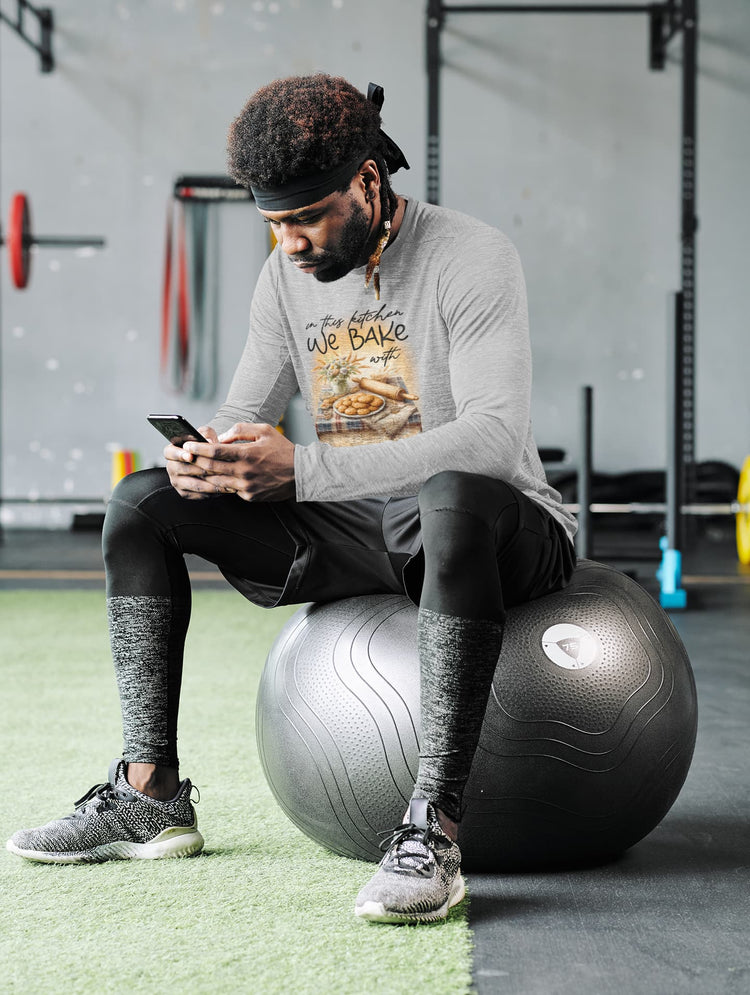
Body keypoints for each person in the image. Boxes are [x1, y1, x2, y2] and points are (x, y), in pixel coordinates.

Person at [6, 74, 577, 924]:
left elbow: (493, 440)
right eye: (276, 224)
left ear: (369, 183)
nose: (294, 242)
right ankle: (149, 791)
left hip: (492, 528)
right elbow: (248, 409)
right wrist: (213, 456)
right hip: (364, 526)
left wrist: (301, 472)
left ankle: (432, 828)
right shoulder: (285, 274)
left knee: (452, 496)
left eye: (309, 217)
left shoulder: (471, 255)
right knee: (140, 499)